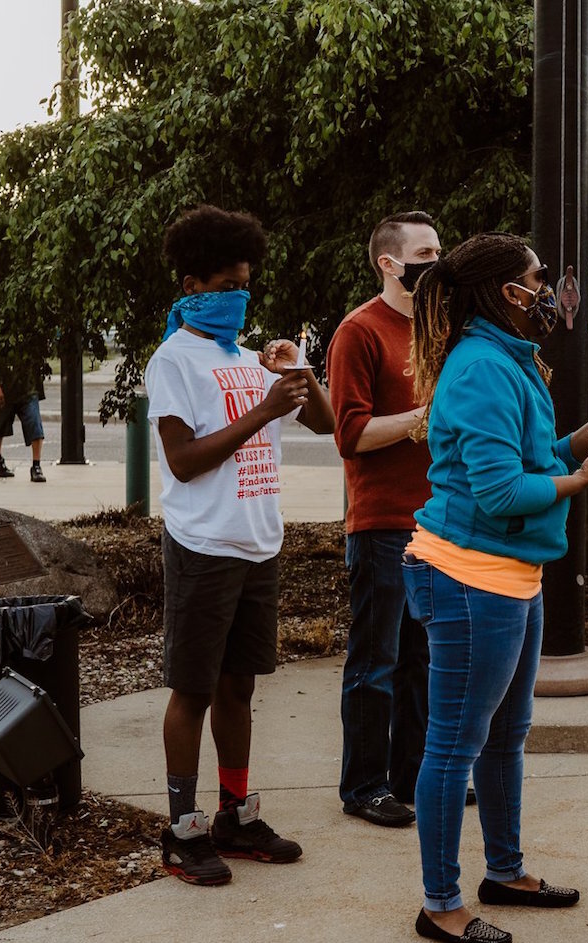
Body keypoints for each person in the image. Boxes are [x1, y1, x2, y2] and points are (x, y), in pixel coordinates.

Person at [402, 232, 588, 943]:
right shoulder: (483, 369)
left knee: (505, 736)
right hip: (469, 576)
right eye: (537, 279)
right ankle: (440, 903)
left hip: (507, 578)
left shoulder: (509, 359)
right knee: (455, 745)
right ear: (508, 293)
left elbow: (531, 460)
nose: (547, 290)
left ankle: (505, 870)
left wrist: (587, 434)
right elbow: (500, 493)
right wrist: (581, 482)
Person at [146, 205, 336, 885]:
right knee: (193, 688)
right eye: (226, 282)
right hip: (203, 544)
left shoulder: (249, 356)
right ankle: (182, 827)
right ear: (193, 284)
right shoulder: (174, 360)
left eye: (246, 282)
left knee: (239, 684)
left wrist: (299, 373)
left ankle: (234, 812)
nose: (239, 294)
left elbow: (323, 423)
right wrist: (262, 410)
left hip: (257, 542)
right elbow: (184, 460)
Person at [327, 211, 441, 828]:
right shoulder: (359, 332)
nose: (436, 260)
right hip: (381, 525)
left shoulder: (435, 329)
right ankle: (364, 785)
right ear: (389, 263)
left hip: (434, 522)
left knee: (423, 659)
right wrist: (421, 418)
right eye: (425, 251)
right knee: (377, 661)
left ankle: (413, 775)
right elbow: (350, 433)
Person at [0, 356, 48, 482]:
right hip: (3, 386)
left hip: (26, 386)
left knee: (34, 421)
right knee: (0, 425)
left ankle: (36, 465)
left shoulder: (30, 338)